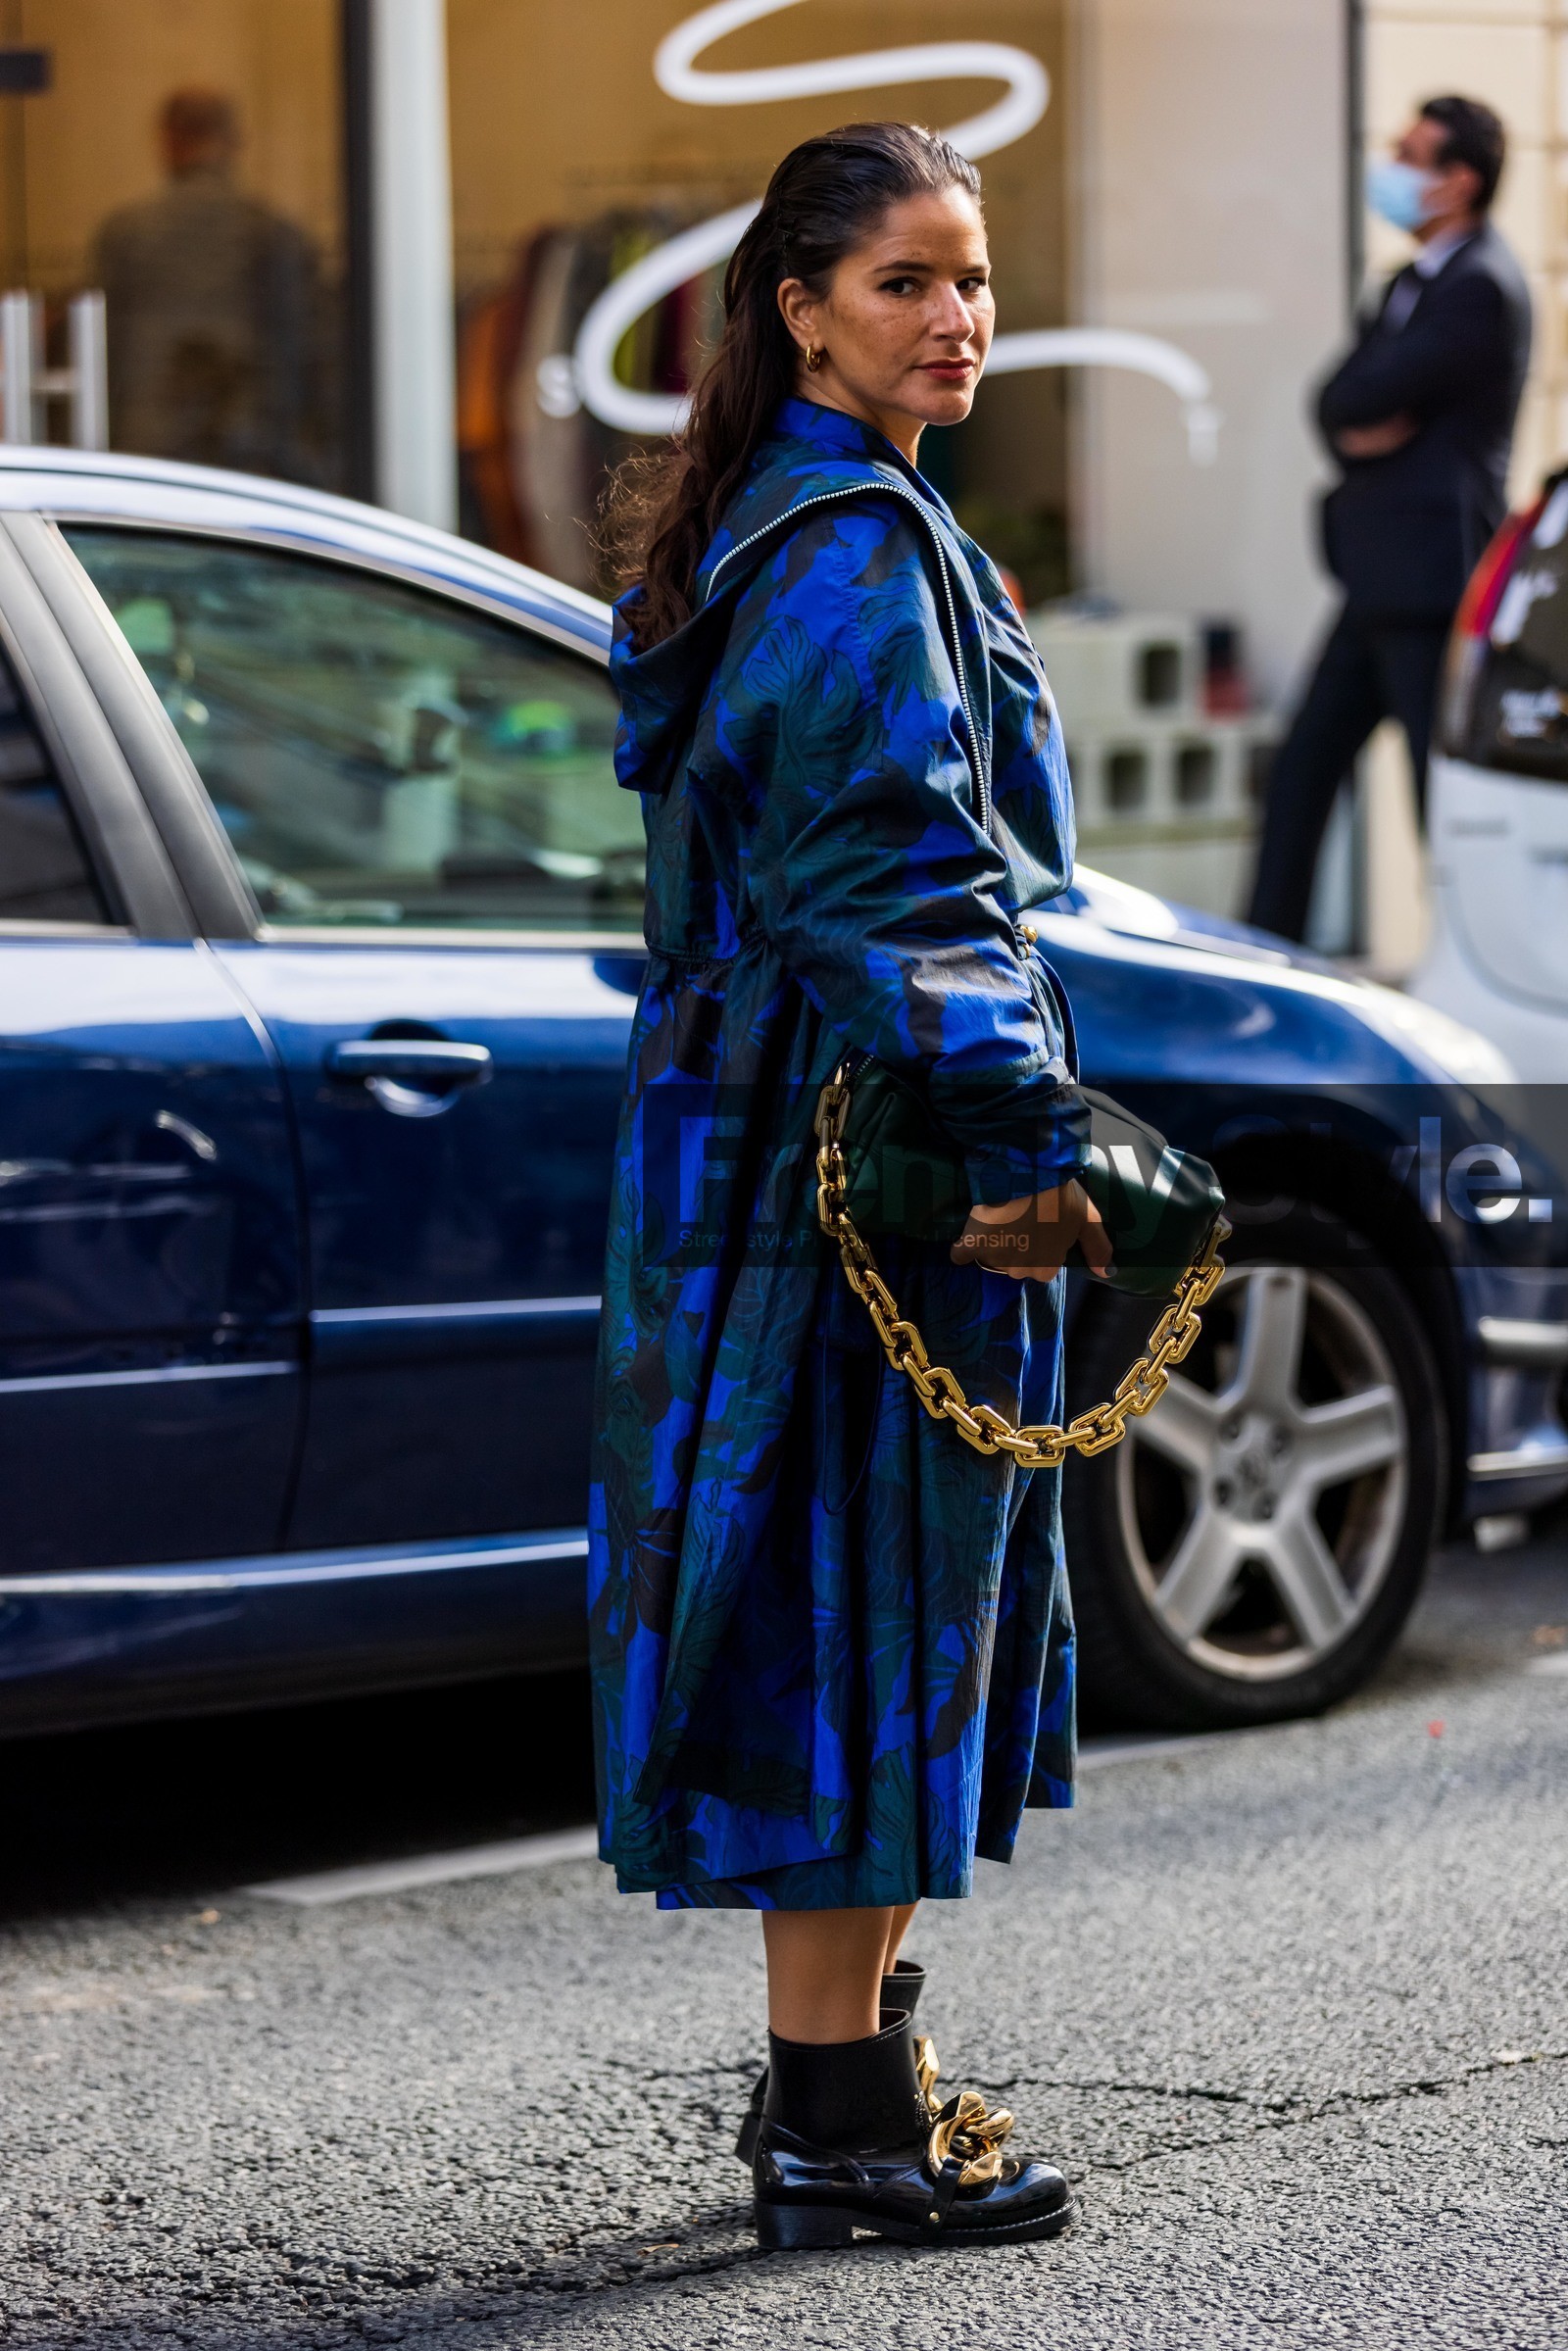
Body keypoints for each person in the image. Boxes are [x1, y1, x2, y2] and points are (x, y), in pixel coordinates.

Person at [591, 121, 1111, 2251]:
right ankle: (838, 2121)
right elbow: (884, 878)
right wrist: (1029, 1133)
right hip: (859, 1155)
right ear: (799, 306)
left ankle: (852, 2078)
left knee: (840, 1604)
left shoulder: (802, 519)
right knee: (862, 1611)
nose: (953, 314)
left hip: (772, 1139)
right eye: (903, 279)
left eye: (970, 278)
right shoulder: (843, 549)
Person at [1249, 95, 1532, 942]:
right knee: (1301, 778)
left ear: (1459, 183)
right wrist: (1367, 426)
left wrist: (1368, 419)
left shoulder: (1480, 286)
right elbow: (1338, 404)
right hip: (1376, 579)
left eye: (1412, 156)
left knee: (1437, 801)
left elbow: (1364, 398)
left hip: (1432, 580)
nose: (1394, 169)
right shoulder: (1409, 283)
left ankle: (1471, 966)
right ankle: (1264, 966)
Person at [92, 88, 326, 484]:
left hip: (144, 457)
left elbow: (102, 353)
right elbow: (310, 356)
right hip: (250, 453)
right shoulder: (275, 236)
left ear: (166, 139)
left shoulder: (125, 235)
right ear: (236, 141)